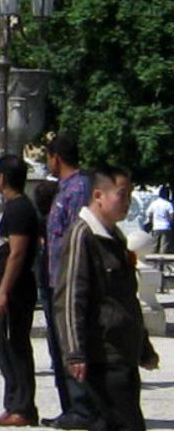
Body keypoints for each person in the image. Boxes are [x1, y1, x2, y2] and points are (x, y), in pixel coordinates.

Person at [55, 166, 160, 431]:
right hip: (102, 352)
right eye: (121, 195)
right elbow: (69, 298)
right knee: (127, 424)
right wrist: (75, 352)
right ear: (99, 195)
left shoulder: (114, 236)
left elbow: (126, 299)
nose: (126, 203)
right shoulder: (84, 235)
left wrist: (143, 347)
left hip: (122, 352)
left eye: (129, 195)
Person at [41, 134, 98, 429]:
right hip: (57, 279)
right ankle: (71, 407)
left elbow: (76, 236)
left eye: (48, 157)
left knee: (69, 343)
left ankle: (81, 407)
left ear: (56, 158)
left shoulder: (76, 190)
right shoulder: (67, 188)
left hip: (68, 280)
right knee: (59, 345)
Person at [0, 155, 41, 428]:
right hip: (8, 288)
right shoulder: (13, 208)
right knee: (5, 348)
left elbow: (17, 254)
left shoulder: (19, 210)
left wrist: (3, 292)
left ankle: (23, 407)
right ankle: (13, 403)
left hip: (15, 291)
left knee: (15, 347)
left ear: (2, 178)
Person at [144, 185, 172, 254]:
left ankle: (154, 262)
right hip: (166, 227)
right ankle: (162, 263)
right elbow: (172, 215)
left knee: (155, 245)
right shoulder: (168, 204)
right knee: (164, 246)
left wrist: (151, 221)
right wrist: (169, 220)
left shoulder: (154, 203)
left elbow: (149, 213)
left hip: (156, 227)